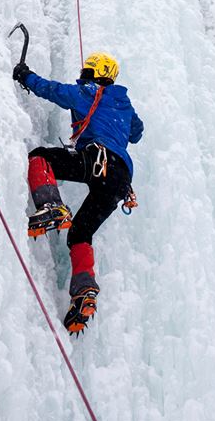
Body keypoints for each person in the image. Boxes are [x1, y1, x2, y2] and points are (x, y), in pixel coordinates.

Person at [13, 52, 143, 334]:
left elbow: (56, 91)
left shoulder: (90, 92)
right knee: (80, 234)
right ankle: (84, 290)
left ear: (96, 72)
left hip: (99, 161)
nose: (84, 72)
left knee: (40, 157)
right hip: (120, 180)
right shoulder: (124, 103)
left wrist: (25, 76)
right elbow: (136, 132)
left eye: (88, 69)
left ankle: (51, 205)